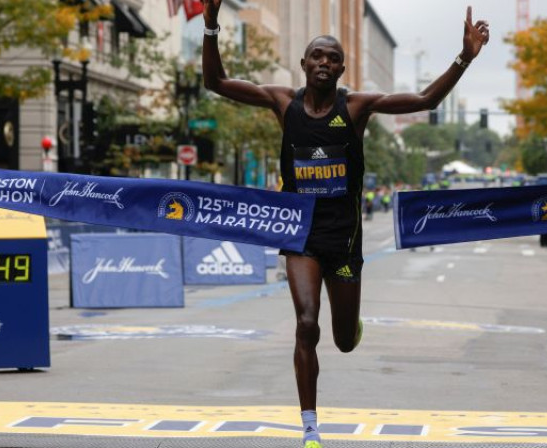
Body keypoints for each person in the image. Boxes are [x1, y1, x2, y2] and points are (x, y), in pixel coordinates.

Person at [201, 2, 489, 447]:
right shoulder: (283, 102)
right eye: (317, 55)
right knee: (305, 323)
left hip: (344, 239)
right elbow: (216, 82)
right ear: (303, 63)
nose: (324, 62)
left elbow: (426, 100)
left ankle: (352, 326)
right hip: (300, 235)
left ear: (341, 69)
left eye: (333, 57)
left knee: (342, 339)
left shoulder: (356, 107)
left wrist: (464, 57)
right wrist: (211, 25)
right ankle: (311, 427)